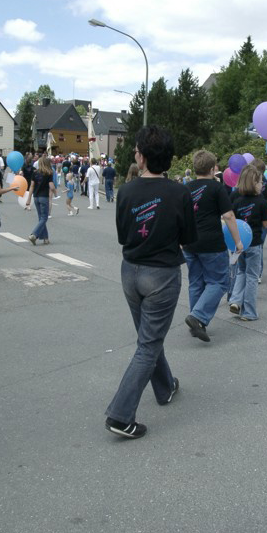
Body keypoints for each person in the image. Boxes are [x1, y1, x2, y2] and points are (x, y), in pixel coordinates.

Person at [105, 125, 197, 439]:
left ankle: (165, 386)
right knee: (148, 344)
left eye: (135, 150)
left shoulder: (126, 191)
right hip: (162, 275)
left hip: (130, 271)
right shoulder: (180, 193)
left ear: (142, 158)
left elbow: (121, 235)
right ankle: (120, 415)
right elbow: (189, 238)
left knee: (148, 339)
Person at [183, 150, 242, 342]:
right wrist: (238, 241)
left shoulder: (186, 188)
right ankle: (197, 317)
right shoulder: (217, 189)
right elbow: (229, 215)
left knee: (196, 282)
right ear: (212, 169)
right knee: (219, 282)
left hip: (190, 242)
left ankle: (197, 322)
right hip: (211, 242)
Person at [228, 166, 267, 321]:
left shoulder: (235, 198)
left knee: (241, 272)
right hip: (254, 243)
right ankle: (249, 312)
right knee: (252, 276)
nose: (262, 185)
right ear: (254, 183)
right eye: (260, 182)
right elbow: (266, 224)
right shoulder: (261, 202)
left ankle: (235, 300)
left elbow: (231, 218)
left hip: (239, 243)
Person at [27, 156, 57, 245]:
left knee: (41, 218)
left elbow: (31, 186)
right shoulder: (48, 173)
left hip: (36, 197)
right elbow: (51, 186)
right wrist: (55, 192)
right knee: (44, 218)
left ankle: (45, 238)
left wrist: (29, 199)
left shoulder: (35, 173)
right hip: (44, 197)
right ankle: (34, 234)